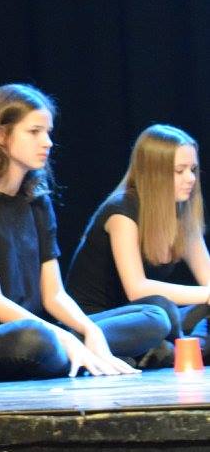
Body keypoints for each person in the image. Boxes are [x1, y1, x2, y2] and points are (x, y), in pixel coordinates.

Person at [0, 83, 166, 380]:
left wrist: (89, 330)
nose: (47, 142)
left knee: (156, 315)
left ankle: (84, 353)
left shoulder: (37, 201)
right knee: (36, 340)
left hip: (42, 328)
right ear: (1, 136)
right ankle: (87, 353)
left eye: (48, 132)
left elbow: (53, 294)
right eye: (34, 132)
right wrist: (64, 336)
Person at [67, 124, 210, 365]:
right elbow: (137, 289)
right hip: (102, 322)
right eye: (180, 171)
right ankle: (174, 350)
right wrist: (206, 294)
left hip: (150, 318)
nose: (191, 179)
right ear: (154, 174)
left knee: (191, 312)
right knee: (161, 311)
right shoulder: (122, 210)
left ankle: (172, 351)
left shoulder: (183, 213)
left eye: (193, 169)